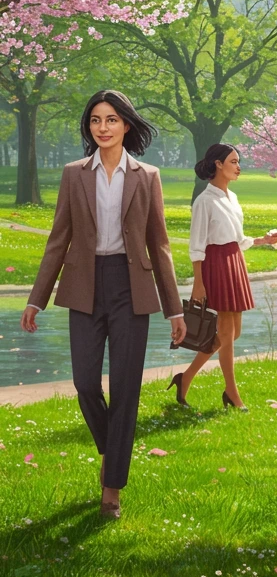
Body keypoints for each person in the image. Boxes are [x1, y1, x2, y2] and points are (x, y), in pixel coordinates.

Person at [20, 90, 186, 520]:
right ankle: (114, 451)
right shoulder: (74, 174)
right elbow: (59, 239)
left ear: (126, 125)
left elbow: (159, 244)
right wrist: (37, 300)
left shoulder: (147, 175)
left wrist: (175, 310)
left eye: (111, 119)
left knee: (127, 389)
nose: (103, 127)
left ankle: (111, 488)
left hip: (132, 287)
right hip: (84, 286)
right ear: (89, 126)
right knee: (85, 383)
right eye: (95, 120)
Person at [175, 144, 277, 412]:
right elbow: (197, 246)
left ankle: (185, 378)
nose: (239, 166)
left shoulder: (231, 198)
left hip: (235, 262)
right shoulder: (204, 201)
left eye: (239, 161)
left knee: (233, 333)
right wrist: (198, 283)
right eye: (233, 161)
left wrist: (264, 240)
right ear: (218, 164)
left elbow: (238, 238)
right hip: (215, 265)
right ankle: (232, 394)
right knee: (224, 331)